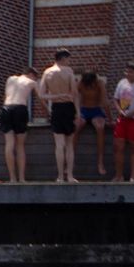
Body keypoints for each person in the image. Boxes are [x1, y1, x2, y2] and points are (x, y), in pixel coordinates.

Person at [39, 50, 80, 182]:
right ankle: (70, 175)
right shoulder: (68, 71)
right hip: (68, 107)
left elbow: (42, 95)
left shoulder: (47, 72)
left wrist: (56, 96)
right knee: (69, 144)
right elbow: (74, 93)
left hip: (56, 107)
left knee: (59, 144)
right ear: (63, 59)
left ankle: (60, 177)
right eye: (68, 59)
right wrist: (78, 111)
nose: (69, 62)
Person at [0, 65, 38, 183]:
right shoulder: (31, 81)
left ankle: (12, 178)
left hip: (6, 108)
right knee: (20, 145)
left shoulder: (10, 79)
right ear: (32, 75)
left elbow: (6, 96)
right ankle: (21, 178)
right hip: (20, 108)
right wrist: (49, 111)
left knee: (9, 144)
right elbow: (41, 98)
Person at [76, 70, 109, 179]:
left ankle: (100, 162)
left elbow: (105, 101)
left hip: (96, 110)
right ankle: (70, 161)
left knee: (100, 128)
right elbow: (74, 97)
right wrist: (77, 113)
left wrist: (110, 118)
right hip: (84, 110)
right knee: (75, 127)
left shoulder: (100, 83)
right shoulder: (80, 83)